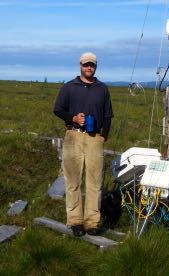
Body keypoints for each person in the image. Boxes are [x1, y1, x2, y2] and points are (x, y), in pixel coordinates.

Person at [53, 52, 113, 236]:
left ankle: (92, 222)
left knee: (95, 182)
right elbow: (57, 109)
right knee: (73, 182)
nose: (89, 68)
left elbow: (108, 115)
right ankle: (75, 221)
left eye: (92, 65)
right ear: (80, 65)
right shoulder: (69, 87)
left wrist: (104, 136)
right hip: (73, 137)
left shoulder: (102, 88)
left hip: (95, 139)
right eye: (86, 64)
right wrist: (72, 117)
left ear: (96, 67)